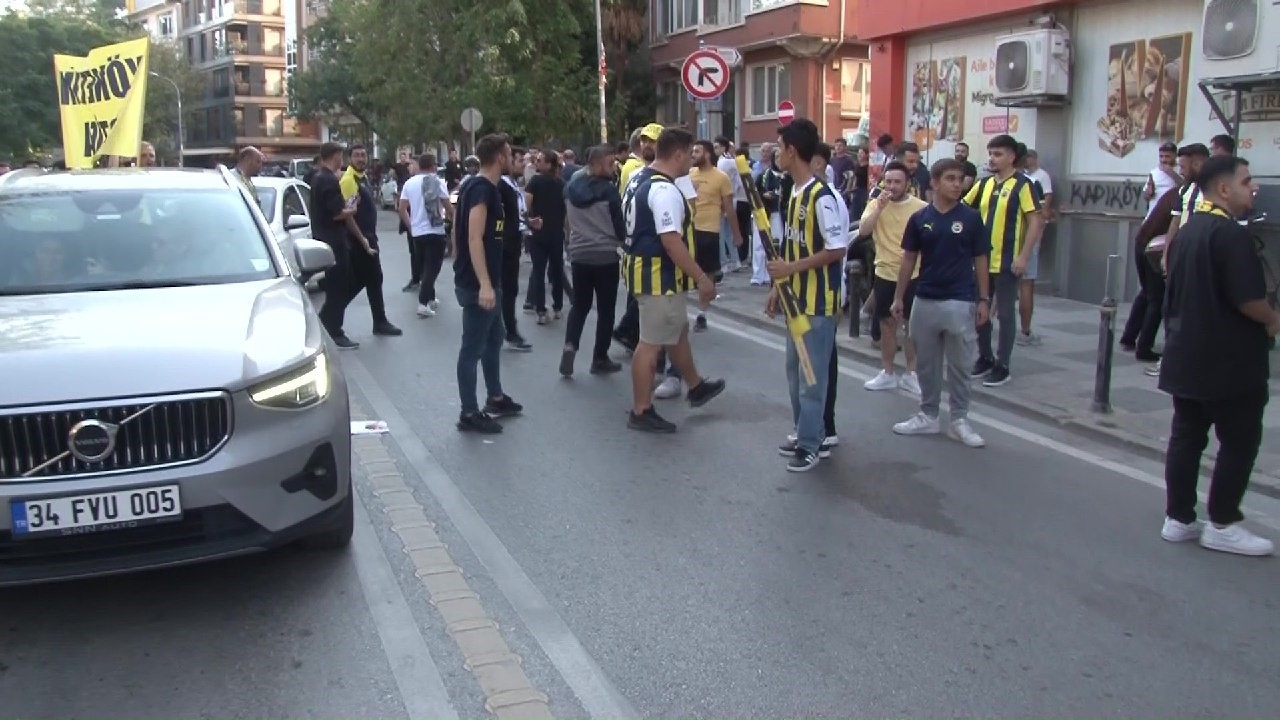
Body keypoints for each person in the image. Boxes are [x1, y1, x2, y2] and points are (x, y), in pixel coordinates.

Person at [1159, 155, 1276, 556]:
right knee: (1239, 441)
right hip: (1229, 362)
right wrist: (1274, 319)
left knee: (1187, 437)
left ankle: (1179, 518)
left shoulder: (1189, 231)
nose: (1254, 187)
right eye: (1247, 181)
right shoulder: (1230, 235)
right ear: (1224, 189)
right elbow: (1249, 301)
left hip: (1187, 353)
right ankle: (1223, 522)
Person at [622, 127, 726, 433]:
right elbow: (670, 240)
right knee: (651, 344)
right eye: (688, 156)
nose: (690, 164)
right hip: (658, 276)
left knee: (677, 330)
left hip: (643, 269)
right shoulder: (665, 189)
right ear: (678, 155)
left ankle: (695, 386)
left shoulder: (639, 177)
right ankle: (641, 410)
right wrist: (701, 278)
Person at [890, 159, 990, 448]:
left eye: (960, 179)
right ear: (934, 182)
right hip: (925, 298)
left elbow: (980, 259)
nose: (957, 184)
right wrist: (899, 296)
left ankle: (959, 419)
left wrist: (984, 298)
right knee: (927, 364)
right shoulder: (920, 219)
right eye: (950, 178)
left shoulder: (971, 218)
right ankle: (928, 414)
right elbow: (908, 258)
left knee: (960, 365)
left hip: (960, 299)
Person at [766, 118, 848, 472]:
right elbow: (790, 248)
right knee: (794, 372)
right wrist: (777, 287)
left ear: (792, 151)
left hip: (817, 303)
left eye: (779, 148)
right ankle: (804, 432)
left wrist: (790, 271)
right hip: (794, 301)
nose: (774, 154)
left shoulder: (822, 196)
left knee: (812, 378)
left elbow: (836, 249)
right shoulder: (792, 192)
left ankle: (813, 445)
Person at [453, 133, 524, 433]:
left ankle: (494, 397)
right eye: (508, 153)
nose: (511, 158)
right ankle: (468, 412)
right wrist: (483, 283)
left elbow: (459, 232)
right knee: (472, 348)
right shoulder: (482, 189)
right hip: (479, 283)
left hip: (489, 278)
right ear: (499, 157)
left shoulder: (477, 185)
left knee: (494, 338)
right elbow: (472, 236)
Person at [964, 135, 1044, 387]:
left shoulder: (1023, 185)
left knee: (1006, 313)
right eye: (990, 153)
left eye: (998, 154)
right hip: (982, 260)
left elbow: (1035, 221)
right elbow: (963, 207)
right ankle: (985, 356)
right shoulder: (985, 184)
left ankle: (1003, 364)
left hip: (1008, 261)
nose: (992, 158)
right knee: (980, 309)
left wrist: (1023, 255)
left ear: (1011, 157)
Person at [859, 159, 926, 393]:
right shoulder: (875, 203)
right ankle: (887, 371)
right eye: (888, 181)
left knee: (912, 326)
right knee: (887, 325)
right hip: (885, 272)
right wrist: (878, 208)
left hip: (913, 274)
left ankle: (912, 373)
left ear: (907, 183)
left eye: (898, 182)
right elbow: (864, 231)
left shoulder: (920, 207)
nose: (892, 186)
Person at [560, 145, 626, 377]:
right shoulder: (609, 192)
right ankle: (599, 358)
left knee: (580, 305)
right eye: (610, 164)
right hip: (605, 255)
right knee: (606, 310)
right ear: (596, 164)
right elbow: (619, 227)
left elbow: (567, 221)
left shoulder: (570, 189)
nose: (614, 167)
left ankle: (570, 344)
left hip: (579, 255)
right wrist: (624, 241)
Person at [339, 144, 402, 337]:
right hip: (359, 238)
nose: (361, 159)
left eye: (363, 155)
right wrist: (363, 240)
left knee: (368, 279)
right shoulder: (349, 180)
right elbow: (349, 215)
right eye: (357, 156)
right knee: (366, 279)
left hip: (367, 237)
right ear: (349, 158)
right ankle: (331, 317)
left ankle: (378, 321)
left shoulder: (362, 178)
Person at [687, 139, 744, 331]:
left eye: (697, 151)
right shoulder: (689, 174)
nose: (693, 154)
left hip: (710, 230)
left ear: (708, 154)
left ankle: (702, 314)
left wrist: (737, 235)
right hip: (690, 229)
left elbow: (729, 207)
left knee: (708, 274)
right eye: (692, 151)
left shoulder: (721, 177)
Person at [310, 141, 361, 349]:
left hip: (326, 238)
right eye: (340, 155)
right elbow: (337, 213)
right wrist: (352, 208)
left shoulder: (319, 178)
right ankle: (334, 329)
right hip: (334, 241)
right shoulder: (328, 180)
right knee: (339, 286)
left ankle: (326, 323)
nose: (342, 160)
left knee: (338, 285)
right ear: (335, 156)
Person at [399, 153, 453, 318]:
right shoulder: (437, 182)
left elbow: (401, 209)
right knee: (433, 268)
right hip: (435, 230)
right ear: (433, 166)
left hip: (418, 232)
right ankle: (423, 303)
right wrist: (454, 221)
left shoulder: (409, 183)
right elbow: (447, 206)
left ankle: (430, 297)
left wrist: (411, 225)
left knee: (424, 266)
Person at [525, 150, 568, 323]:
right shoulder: (562, 183)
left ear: (549, 164)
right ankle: (557, 306)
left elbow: (527, 203)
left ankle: (540, 310)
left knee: (538, 271)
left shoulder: (535, 181)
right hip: (556, 233)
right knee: (557, 270)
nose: (537, 162)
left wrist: (528, 219)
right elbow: (566, 211)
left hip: (538, 232)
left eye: (540, 160)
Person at [497, 147, 533, 351]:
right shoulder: (500, 186)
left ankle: (508, 329)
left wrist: (527, 222)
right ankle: (508, 331)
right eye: (518, 160)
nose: (522, 164)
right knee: (506, 289)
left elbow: (515, 214)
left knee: (509, 290)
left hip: (513, 243)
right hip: (505, 245)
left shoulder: (511, 185)